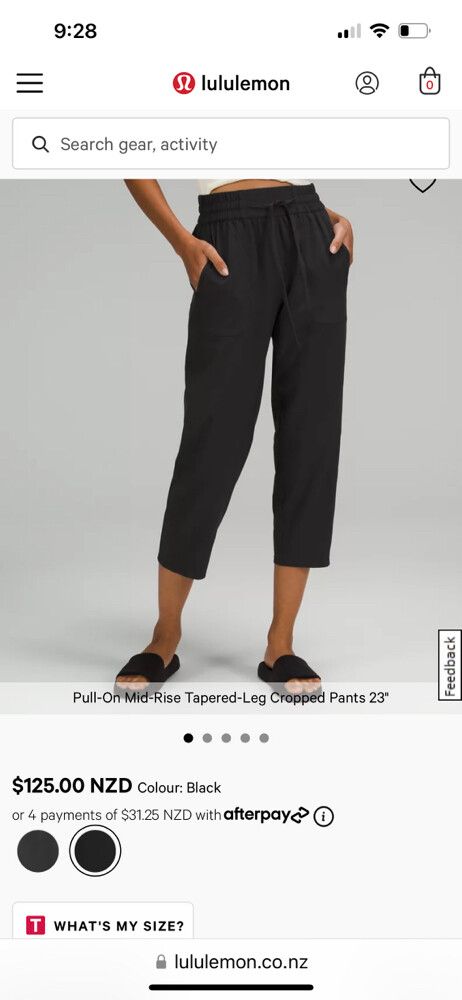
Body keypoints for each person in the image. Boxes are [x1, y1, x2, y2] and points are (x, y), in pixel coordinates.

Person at [115, 178, 353, 693]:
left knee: (311, 437)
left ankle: (281, 643)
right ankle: (165, 633)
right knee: (211, 443)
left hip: (311, 233)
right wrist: (182, 241)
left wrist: (325, 218)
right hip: (227, 238)